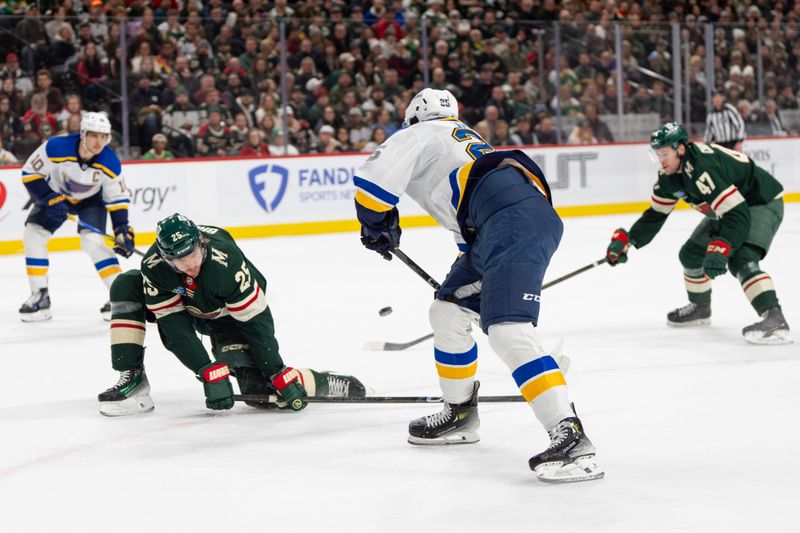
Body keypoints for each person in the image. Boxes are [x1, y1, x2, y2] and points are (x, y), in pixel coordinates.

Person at [353, 88, 603, 483]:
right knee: (448, 311)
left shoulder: (421, 133)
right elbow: (468, 231)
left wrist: (374, 223)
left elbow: (372, 186)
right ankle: (460, 414)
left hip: (511, 224)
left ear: (414, 118)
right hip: (502, 226)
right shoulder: (464, 142)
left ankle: (571, 438)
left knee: (507, 332)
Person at [98, 214, 365, 416]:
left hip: (227, 317)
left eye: (192, 254)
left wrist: (275, 370)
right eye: (180, 260)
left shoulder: (226, 264)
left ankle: (317, 380)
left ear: (201, 243)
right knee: (126, 284)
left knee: (256, 391)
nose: (189, 263)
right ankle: (131, 376)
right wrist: (206, 369)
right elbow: (175, 329)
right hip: (191, 306)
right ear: (166, 258)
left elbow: (255, 321)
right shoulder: (155, 268)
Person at [605, 122, 790, 344]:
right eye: (657, 154)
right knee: (691, 254)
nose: (661, 160)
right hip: (730, 209)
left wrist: (723, 245)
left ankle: (774, 318)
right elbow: (655, 215)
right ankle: (701, 307)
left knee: (741, 257)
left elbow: (737, 214)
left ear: (681, 149)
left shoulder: (703, 167)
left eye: (665, 153)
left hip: (760, 202)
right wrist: (629, 240)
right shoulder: (668, 177)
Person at [19, 112, 134, 322]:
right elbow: (29, 173)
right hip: (56, 196)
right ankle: (40, 297)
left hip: (90, 201)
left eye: (103, 136)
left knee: (93, 242)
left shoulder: (110, 162)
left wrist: (122, 229)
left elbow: (117, 198)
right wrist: (48, 197)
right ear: (82, 134)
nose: (99, 141)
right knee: (33, 235)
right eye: (93, 135)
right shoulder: (56, 147)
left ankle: (122, 298)